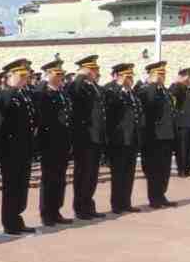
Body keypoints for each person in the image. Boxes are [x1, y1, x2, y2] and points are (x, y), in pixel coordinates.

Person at [0, 59, 38, 234]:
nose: (24, 78)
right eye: (20, 75)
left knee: (21, 186)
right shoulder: (6, 95)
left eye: (25, 76)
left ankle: (17, 217)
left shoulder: (24, 94)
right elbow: (0, 124)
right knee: (12, 187)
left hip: (24, 147)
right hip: (11, 150)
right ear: (9, 76)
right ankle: (9, 222)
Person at [35, 59, 74, 226]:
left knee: (60, 178)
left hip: (63, 141)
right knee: (49, 178)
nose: (61, 77)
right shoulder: (43, 93)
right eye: (57, 74)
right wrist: (43, 82)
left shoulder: (62, 93)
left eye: (62, 74)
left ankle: (56, 209)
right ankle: (46, 212)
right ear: (48, 74)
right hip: (49, 142)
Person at [68, 55, 106, 219]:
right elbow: (74, 92)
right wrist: (80, 75)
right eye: (92, 70)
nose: (95, 72)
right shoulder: (79, 85)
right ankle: (80, 207)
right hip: (84, 137)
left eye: (95, 70)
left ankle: (88, 205)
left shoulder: (94, 86)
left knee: (92, 174)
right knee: (83, 173)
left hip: (96, 136)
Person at [104, 63, 143, 214]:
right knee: (118, 174)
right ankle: (117, 204)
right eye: (127, 76)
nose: (130, 79)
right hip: (118, 139)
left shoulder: (130, 92)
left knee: (129, 173)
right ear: (119, 76)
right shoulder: (110, 89)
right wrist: (119, 86)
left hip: (132, 138)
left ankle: (126, 202)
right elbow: (109, 107)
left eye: (131, 76)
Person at [139, 61, 178, 208]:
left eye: (164, 74)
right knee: (154, 169)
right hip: (154, 136)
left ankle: (161, 195)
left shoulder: (165, 91)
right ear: (152, 75)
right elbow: (148, 103)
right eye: (160, 74)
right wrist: (153, 84)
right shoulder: (145, 89)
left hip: (166, 135)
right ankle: (154, 198)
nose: (163, 76)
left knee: (164, 169)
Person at [170, 67, 190, 177]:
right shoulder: (180, 87)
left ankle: (188, 168)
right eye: (189, 76)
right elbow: (172, 92)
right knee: (182, 148)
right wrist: (179, 81)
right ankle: (181, 170)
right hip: (182, 123)